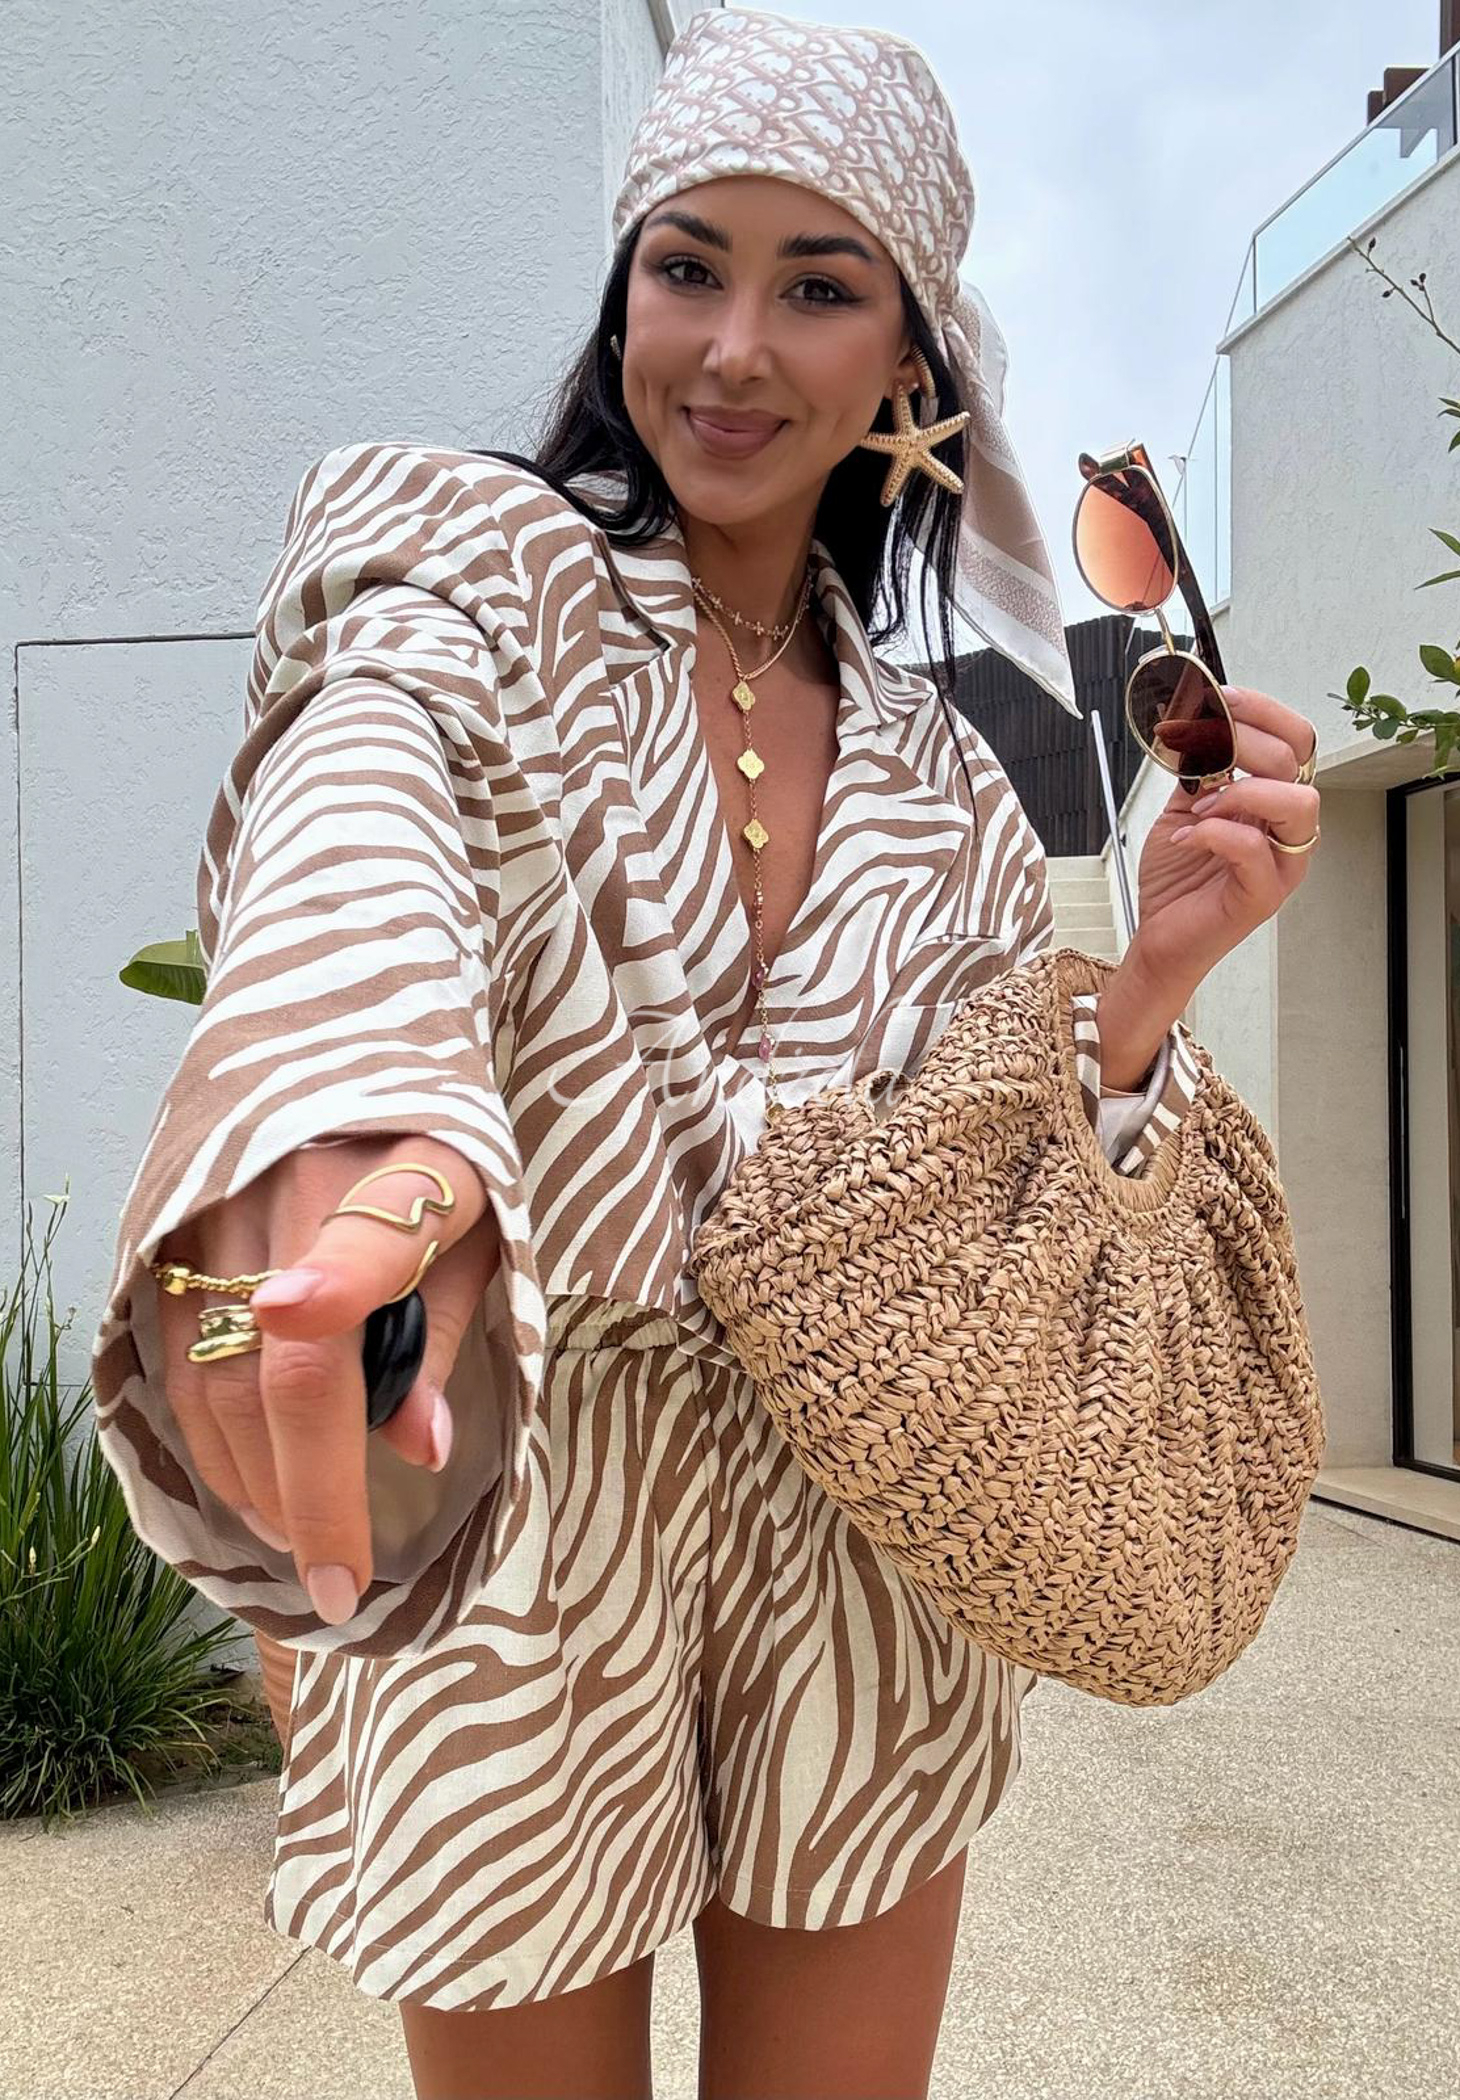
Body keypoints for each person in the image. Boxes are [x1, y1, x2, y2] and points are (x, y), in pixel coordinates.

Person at [90, 11, 1317, 2098]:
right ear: (624, 294)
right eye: (687, 266)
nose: (734, 348)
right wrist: (370, 1125)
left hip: (862, 1511)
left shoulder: (945, 773)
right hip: (537, 1502)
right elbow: (362, 791)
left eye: (818, 287)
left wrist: (1146, 987)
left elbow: (983, 1163)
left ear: (910, 361)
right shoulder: (480, 587)